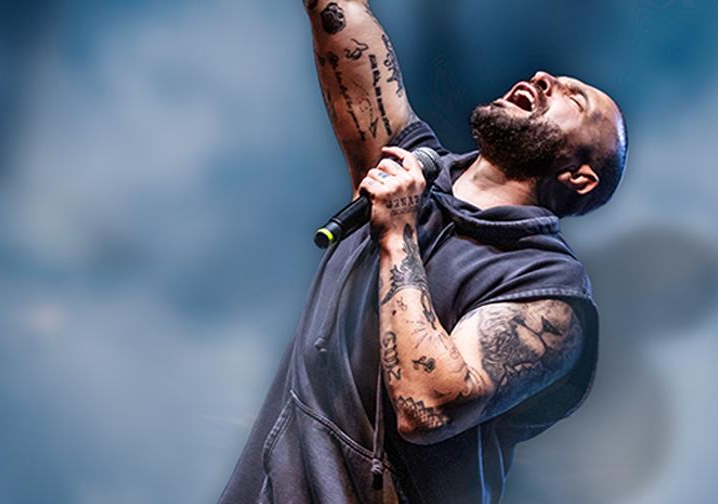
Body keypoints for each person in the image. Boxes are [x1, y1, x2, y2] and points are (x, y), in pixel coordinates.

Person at [219, 1, 627, 502]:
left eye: (573, 99)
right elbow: (340, 19)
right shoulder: (409, 169)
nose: (543, 79)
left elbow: (427, 408)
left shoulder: (549, 290)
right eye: (552, 79)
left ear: (579, 176)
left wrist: (398, 236)